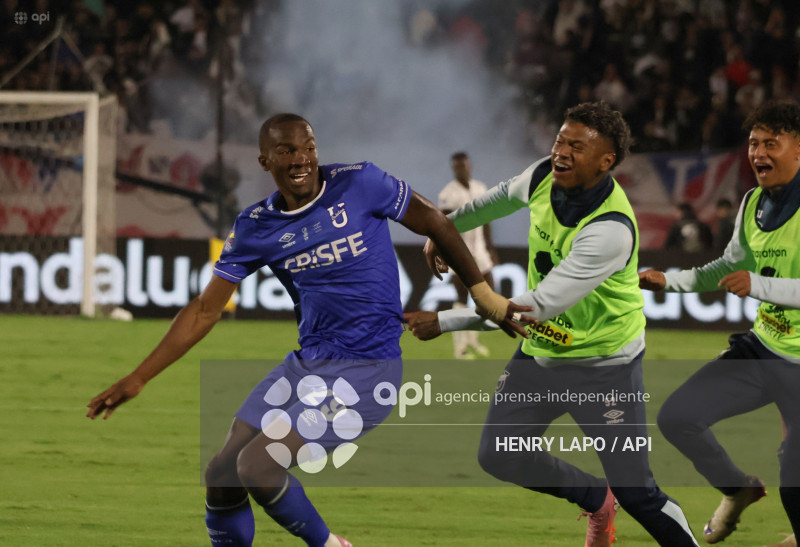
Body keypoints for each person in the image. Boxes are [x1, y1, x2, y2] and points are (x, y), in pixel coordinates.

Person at [86, 113, 526, 547]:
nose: (301, 159)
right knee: (221, 473)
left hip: (369, 372)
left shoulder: (361, 183)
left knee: (259, 467)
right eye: (287, 150)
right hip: (309, 365)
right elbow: (205, 310)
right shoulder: (256, 227)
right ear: (265, 162)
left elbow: (436, 222)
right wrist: (139, 376)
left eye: (309, 147)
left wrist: (485, 297)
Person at [406, 102, 698, 546]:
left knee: (639, 494)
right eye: (561, 140)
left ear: (607, 161)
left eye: (576, 147)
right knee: (499, 454)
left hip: (604, 368)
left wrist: (445, 322)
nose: (561, 151)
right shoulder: (544, 174)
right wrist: (444, 228)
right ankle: (596, 499)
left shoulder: (610, 230)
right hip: (542, 354)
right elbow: (498, 200)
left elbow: (534, 307)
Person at [640, 98, 800, 545]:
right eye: (753, 143)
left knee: (794, 473)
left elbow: (752, 280)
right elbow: (724, 267)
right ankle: (737, 488)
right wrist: (669, 281)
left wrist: (761, 286)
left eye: (772, 143)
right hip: (764, 350)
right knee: (677, 418)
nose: (759, 153)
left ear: (799, 149)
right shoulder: (752, 204)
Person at [437, 151, 498, 359]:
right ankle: (459, 348)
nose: (461, 169)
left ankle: (473, 339)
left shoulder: (481, 188)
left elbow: (487, 221)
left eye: (463, 165)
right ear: (453, 168)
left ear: (469, 166)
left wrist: (491, 249)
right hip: (460, 254)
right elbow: (442, 227)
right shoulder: (448, 193)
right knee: (461, 298)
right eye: (457, 166)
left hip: (480, 251)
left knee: (487, 295)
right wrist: (445, 253)